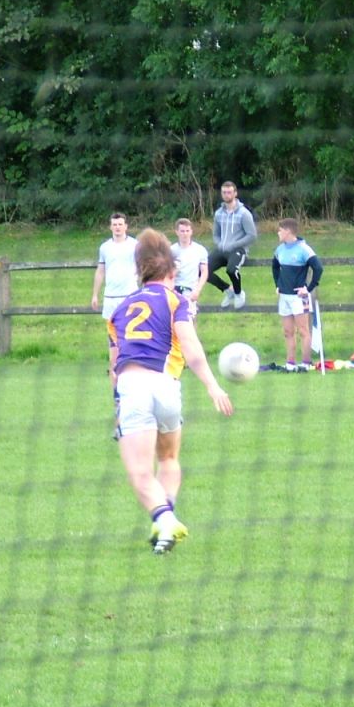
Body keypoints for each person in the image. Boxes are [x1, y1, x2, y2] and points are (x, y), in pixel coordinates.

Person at [109, 228, 234, 555]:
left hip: (133, 387)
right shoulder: (176, 300)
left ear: (140, 270)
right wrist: (212, 385)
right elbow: (191, 348)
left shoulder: (119, 310)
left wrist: (117, 409)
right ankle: (166, 524)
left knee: (139, 471)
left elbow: (114, 367)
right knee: (168, 457)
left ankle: (164, 519)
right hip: (167, 388)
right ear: (173, 271)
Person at [90, 212, 139, 378]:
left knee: (131, 333)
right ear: (110, 227)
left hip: (130, 296)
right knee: (113, 335)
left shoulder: (135, 245)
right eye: (115, 224)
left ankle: (132, 367)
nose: (117, 227)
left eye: (120, 224)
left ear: (126, 226)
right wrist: (95, 295)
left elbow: (144, 266)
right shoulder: (105, 247)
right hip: (111, 298)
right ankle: (114, 368)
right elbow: (101, 271)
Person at [272, 218, 323, 372]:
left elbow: (318, 268)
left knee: (303, 331)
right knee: (288, 331)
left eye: (280, 230)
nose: (278, 232)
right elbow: (274, 267)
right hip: (284, 297)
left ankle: (306, 363)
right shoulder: (280, 249)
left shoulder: (304, 249)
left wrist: (308, 288)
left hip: (298, 297)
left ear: (288, 231)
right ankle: (290, 363)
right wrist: (278, 285)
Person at [206, 181, 257, 310]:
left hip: (238, 249)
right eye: (224, 192)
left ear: (235, 193)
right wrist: (220, 244)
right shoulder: (219, 213)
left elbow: (252, 235)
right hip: (222, 249)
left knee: (231, 270)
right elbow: (216, 234)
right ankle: (228, 290)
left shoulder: (244, 213)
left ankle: (239, 293)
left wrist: (234, 244)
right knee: (203, 271)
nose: (226, 195)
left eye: (229, 192)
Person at [172, 217, 209, 319]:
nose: (185, 234)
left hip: (190, 290)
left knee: (191, 318)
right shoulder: (171, 250)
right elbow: (166, 274)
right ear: (177, 232)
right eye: (182, 231)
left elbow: (204, 272)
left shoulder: (199, 250)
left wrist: (197, 290)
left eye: (187, 231)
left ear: (191, 232)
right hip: (174, 290)